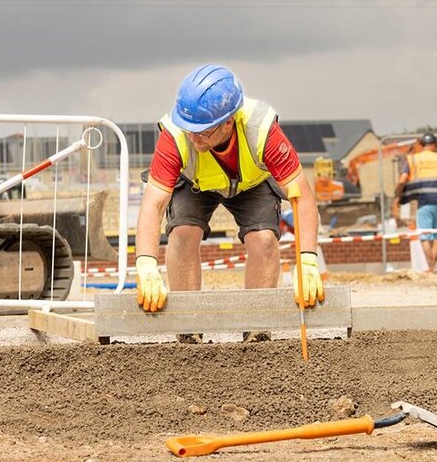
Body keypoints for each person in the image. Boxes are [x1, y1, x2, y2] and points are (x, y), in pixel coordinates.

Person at [135, 64, 324, 325]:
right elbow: (153, 205)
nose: (193, 138)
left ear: (228, 121)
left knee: (265, 240)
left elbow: (302, 196)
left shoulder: (262, 129)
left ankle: (257, 328)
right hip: (195, 182)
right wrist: (146, 264)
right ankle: (188, 328)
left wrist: (308, 262)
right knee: (182, 234)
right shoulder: (176, 134)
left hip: (252, 183)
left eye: (203, 132)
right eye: (188, 129)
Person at [393, 132, 437, 272]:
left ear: (421, 145)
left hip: (424, 202)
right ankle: (432, 268)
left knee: (424, 237)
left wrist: (398, 196)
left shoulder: (413, 159)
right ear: (434, 145)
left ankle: (429, 268)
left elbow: (402, 180)